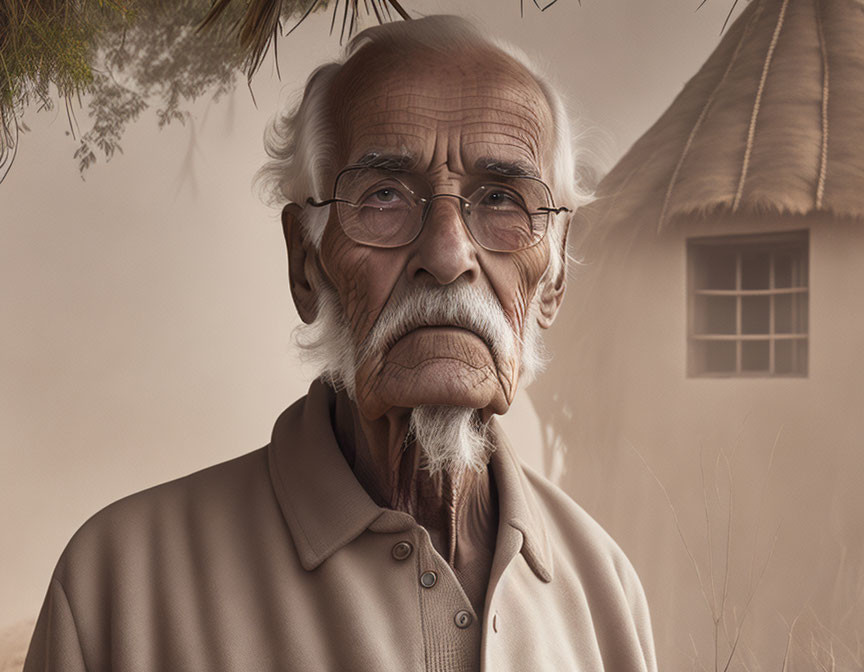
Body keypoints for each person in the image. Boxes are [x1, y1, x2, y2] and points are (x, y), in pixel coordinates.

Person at [23, 15, 657, 672]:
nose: (446, 255)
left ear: (553, 276)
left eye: (501, 198)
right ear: (306, 261)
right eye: (383, 195)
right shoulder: (119, 591)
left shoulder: (605, 593)